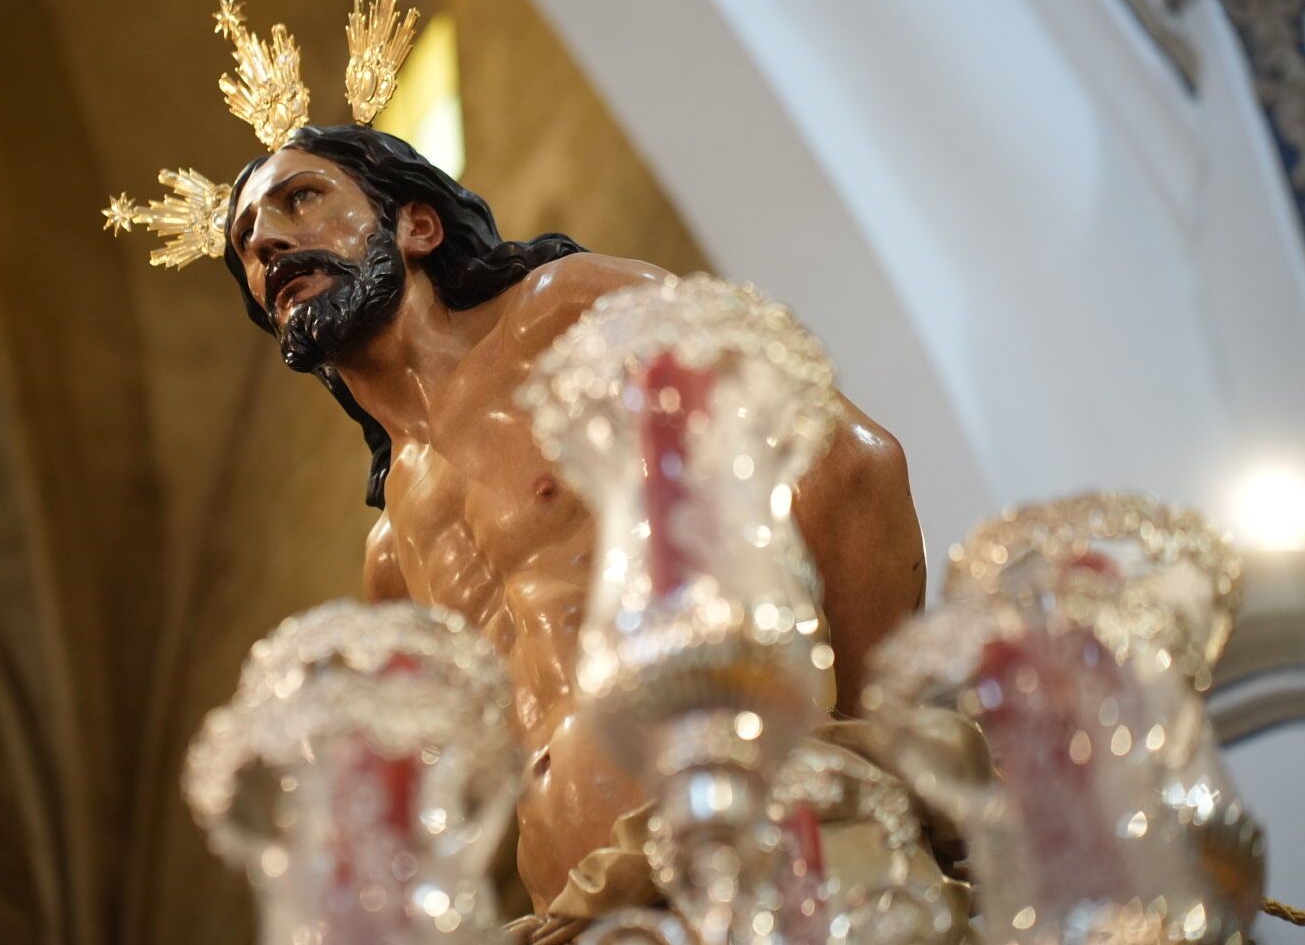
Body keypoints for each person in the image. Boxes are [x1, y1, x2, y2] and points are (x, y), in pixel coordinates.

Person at [219, 123, 929, 914]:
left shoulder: (566, 317)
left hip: (752, 842)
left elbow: (851, 464)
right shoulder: (390, 557)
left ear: (417, 225)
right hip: (576, 913)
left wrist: (870, 760)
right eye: (247, 244)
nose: (270, 245)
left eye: (300, 199)